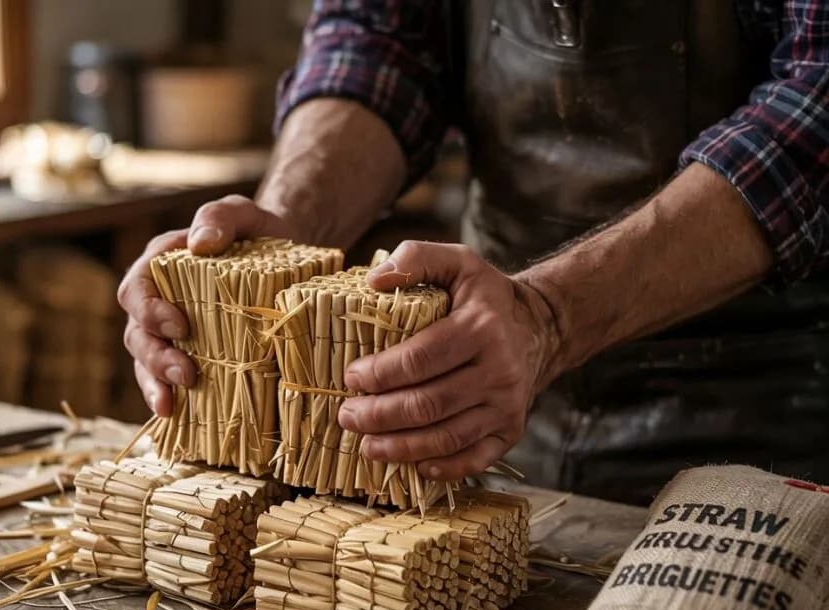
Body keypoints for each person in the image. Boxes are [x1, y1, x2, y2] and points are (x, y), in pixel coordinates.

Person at [119, 1, 828, 503]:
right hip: (490, 401)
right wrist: (281, 234)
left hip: (764, 417)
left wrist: (547, 318)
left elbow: (812, 117)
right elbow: (377, 41)